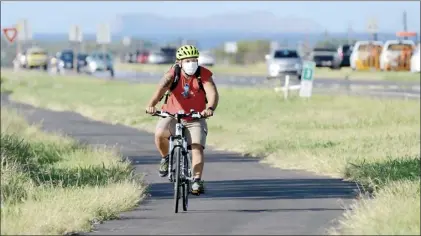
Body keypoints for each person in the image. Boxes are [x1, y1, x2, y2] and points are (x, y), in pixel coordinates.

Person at [145, 45, 219, 195]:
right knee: (160, 134)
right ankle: (165, 158)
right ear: (179, 62)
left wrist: (209, 108)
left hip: (195, 117)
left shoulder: (203, 74)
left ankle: (196, 180)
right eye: (187, 60)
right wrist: (151, 105)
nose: (191, 63)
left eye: (194, 60)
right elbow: (160, 91)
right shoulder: (172, 74)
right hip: (172, 115)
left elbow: (212, 93)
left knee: (197, 146)